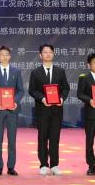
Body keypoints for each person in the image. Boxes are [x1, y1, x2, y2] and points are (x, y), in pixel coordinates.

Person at [28, 43, 70, 175]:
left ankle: (55, 165)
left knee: (55, 137)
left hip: (57, 110)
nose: (48, 54)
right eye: (45, 52)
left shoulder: (60, 71)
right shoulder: (35, 72)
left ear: (53, 54)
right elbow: (32, 90)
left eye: (50, 52)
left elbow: (65, 88)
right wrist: (42, 99)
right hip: (42, 110)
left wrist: (62, 98)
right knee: (42, 137)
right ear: (40, 55)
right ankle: (43, 164)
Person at [0, 44, 25, 175]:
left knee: (12, 140)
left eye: (7, 54)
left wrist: (15, 101)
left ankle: (11, 167)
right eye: (2, 55)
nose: (4, 57)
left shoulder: (16, 71)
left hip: (13, 110)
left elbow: (21, 90)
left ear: (10, 56)